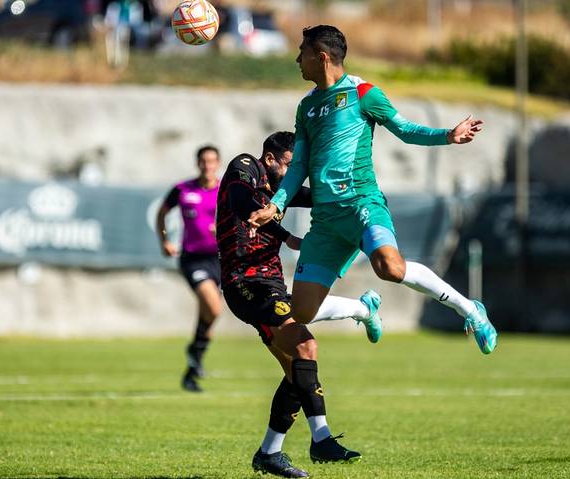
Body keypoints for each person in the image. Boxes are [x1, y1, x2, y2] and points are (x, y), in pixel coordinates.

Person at [248, 25, 498, 354]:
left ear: (321, 57)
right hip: (326, 221)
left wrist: (447, 135)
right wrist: (277, 204)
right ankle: (364, 310)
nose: (297, 59)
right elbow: (298, 167)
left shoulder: (362, 92)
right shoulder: (306, 107)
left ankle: (469, 310)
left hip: (361, 204)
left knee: (390, 267)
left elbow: (405, 129)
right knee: (302, 312)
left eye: (302, 52)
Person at [218, 131, 383, 478]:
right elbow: (239, 203)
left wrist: (355, 197)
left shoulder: (282, 190)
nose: (295, 174)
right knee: (306, 343)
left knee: (298, 368)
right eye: (291, 165)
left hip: (271, 284)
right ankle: (321, 438)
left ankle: (270, 453)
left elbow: (312, 196)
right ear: (270, 159)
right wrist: (286, 235)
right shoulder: (244, 168)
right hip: (245, 283)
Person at [156, 145, 222, 393]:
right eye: (203, 161)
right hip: (193, 259)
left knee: (209, 314)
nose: (208, 165)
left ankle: (193, 364)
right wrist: (164, 240)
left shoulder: (225, 190)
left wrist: (224, 228)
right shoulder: (183, 189)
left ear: (218, 163)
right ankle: (195, 354)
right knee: (213, 307)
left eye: (212, 161)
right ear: (197, 163)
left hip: (220, 259)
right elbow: (162, 214)